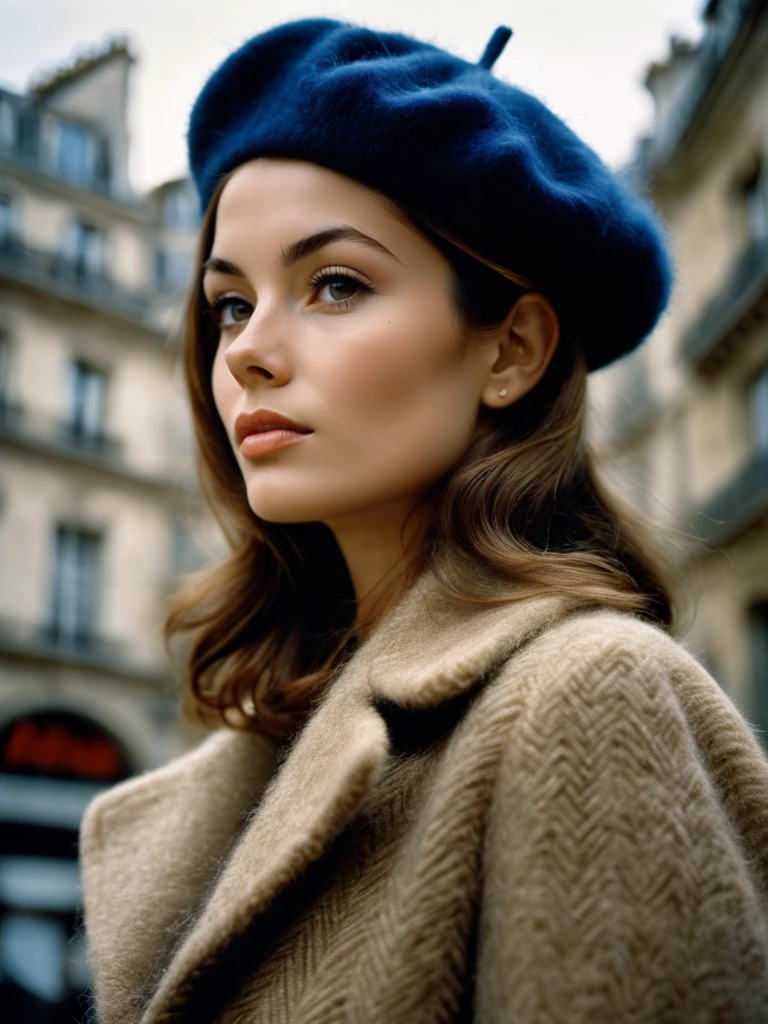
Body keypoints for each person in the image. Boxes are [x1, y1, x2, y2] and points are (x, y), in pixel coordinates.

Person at [79, 18, 768, 1024]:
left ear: (513, 352)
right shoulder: (249, 757)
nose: (247, 353)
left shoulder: (588, 696)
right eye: (230, 303)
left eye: (336, 283)